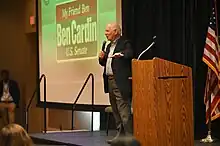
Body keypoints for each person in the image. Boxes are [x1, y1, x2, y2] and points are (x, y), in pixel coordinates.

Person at [99, 23, 133, 144]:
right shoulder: (108, 46)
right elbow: (104, 64)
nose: (105, 33)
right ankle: (120, 137)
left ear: (116, 32)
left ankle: (129, 138)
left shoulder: (125, 43)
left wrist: (121, 54)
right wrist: (101, 58)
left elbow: (130, 54)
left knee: (124, 111)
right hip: (110, 81)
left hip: (120, 81)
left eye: (108, 31)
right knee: (115, 111)